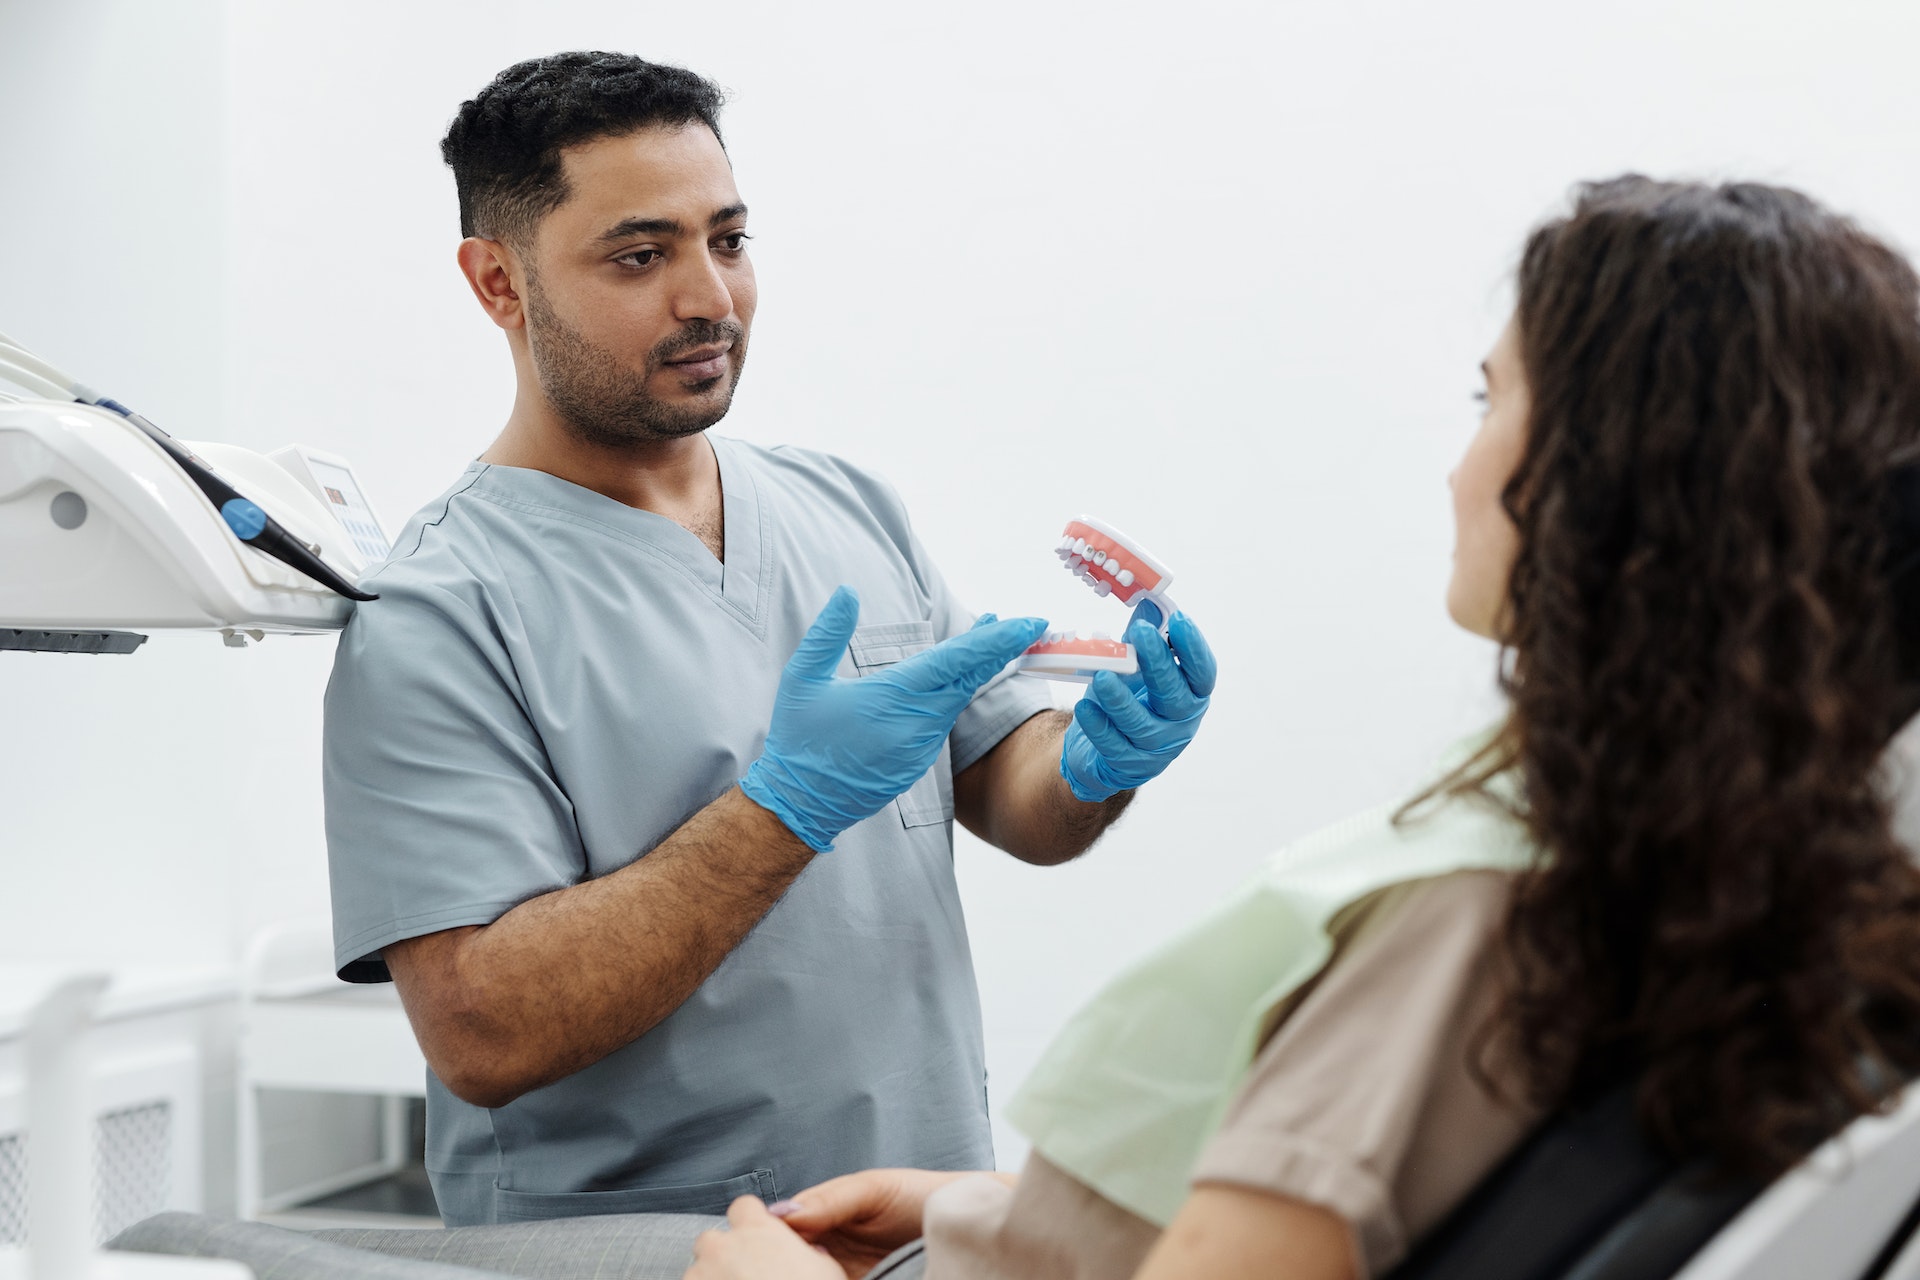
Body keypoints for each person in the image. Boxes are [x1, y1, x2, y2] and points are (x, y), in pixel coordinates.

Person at [672, 177, 1920, 1279]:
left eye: (1490, 399)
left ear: (1605, 478)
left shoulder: (1473, 911)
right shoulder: (1758, 864)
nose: (1455, 465)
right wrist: (998, 1213)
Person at [320, 52, 1217, 1228]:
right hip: (674, 1252)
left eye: (729, 240)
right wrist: (784, 807)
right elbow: (484, 1028)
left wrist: (1096, 762)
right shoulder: (438, 607)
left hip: (919, 1223)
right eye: (642, 256)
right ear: (499, 283)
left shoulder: (844, 506)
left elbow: (1008, 791)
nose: (711, 298)